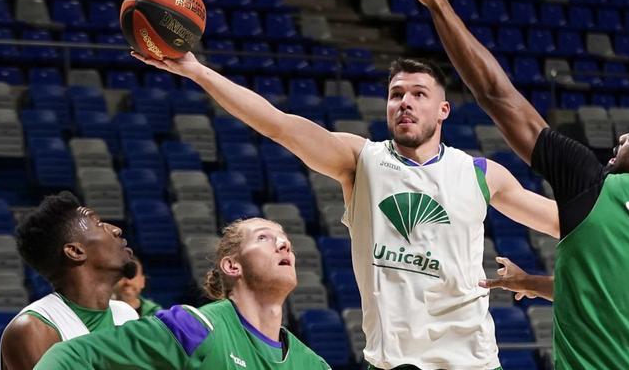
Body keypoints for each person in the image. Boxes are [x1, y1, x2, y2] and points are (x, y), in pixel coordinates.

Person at [130, 42, 559, 369]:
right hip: (391, 363)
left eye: (418, 94)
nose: (404, 102)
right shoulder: (363, 160)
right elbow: (278, 125)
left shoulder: (480, 173)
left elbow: (569, 225)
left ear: (443, 109)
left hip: (473, 362)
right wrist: (197, 71)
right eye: (396, 94)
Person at [392, 0, 629, 369]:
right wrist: (534, 283)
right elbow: (615, 296)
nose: (620, 139)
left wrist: (436, 4)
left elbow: (495, 94)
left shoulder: (597, 188)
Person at [35, 218, 332, 369]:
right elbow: (69, 354)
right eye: (264, 238)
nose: (283, 245)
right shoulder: (193, 329)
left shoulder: (312, 364)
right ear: (232, 265)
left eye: (285, 240)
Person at [0, 191, 139, 370]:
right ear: (75, 251)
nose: (116, 229)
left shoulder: (126, 314)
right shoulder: (34, 328)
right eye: (98, 224)